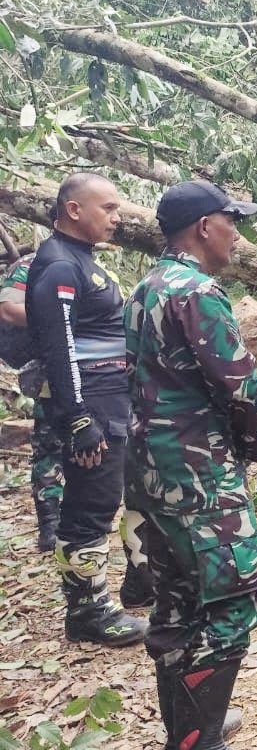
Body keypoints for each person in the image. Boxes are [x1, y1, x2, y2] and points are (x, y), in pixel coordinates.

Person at [124, 179, 257, 750]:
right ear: (204, 227)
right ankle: (200, 746)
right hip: (198, 476)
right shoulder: (198, 292)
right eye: (230, 221)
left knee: (177, 599)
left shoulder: (144, 288)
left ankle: (189, 729)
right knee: (235, 598)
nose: (237, 234)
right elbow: (238, 384)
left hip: (152, 473)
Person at [26, 173, 149, 645]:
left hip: (111, 400)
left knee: (106, 498)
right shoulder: (59, 264)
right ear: (74, 210)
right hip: (90, 406)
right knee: (89, 508)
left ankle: (114, 593)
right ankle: (87, 612)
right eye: (109, 209)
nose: (117, 218)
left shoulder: (84, 260)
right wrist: (78, 418)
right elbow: (59, 349)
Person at [0, 253, 64, 552]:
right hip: (48, 367)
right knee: (49, 443)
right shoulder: (33, 264)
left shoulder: (82, 262)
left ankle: (73, 518)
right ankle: (50, 525)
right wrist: (61, 320)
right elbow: (9, 310)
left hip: (82, 366)